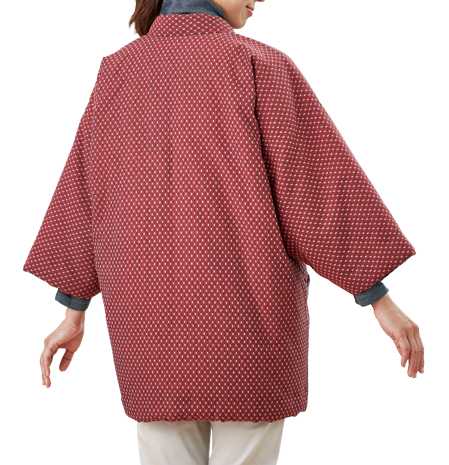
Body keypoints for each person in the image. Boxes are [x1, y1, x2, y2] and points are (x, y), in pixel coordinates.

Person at [24, 1, 424, 463]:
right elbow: (316, 191)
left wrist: (73, 312)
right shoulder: (258, 63)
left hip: (148, 330)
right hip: (249, 328)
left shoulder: (117, 72)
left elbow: (83, 194)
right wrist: (379, 299)